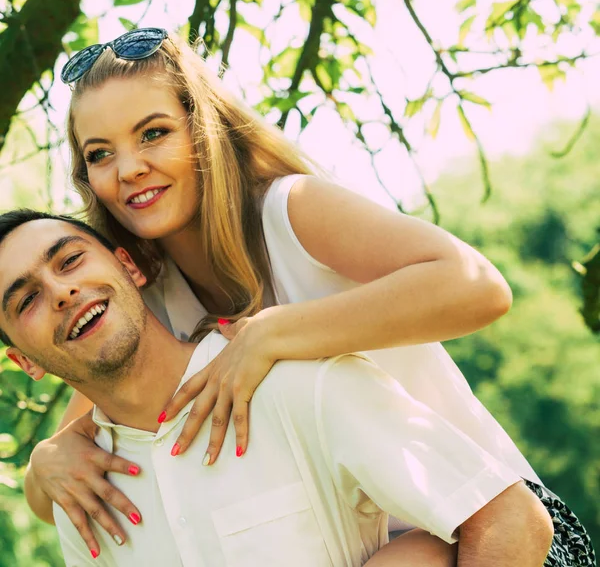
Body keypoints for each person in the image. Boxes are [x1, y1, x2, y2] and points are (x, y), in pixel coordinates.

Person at [18, 28, 592, 565]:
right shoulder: (147, 293)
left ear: (203, 130)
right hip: (358, 542)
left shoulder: (288, 211)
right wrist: (44, 464)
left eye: (153, 133)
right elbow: (63, 480)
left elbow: (479, 288)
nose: (129, 169)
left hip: (492, 526)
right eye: (99, 153)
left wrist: (274, 331)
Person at [0, 210, 560, 566]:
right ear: (23, 361)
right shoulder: (83, 498)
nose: (62, 291)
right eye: (25, 300)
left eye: (70, 261)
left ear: (131, 266)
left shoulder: (295, 387)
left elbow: (511, 519)